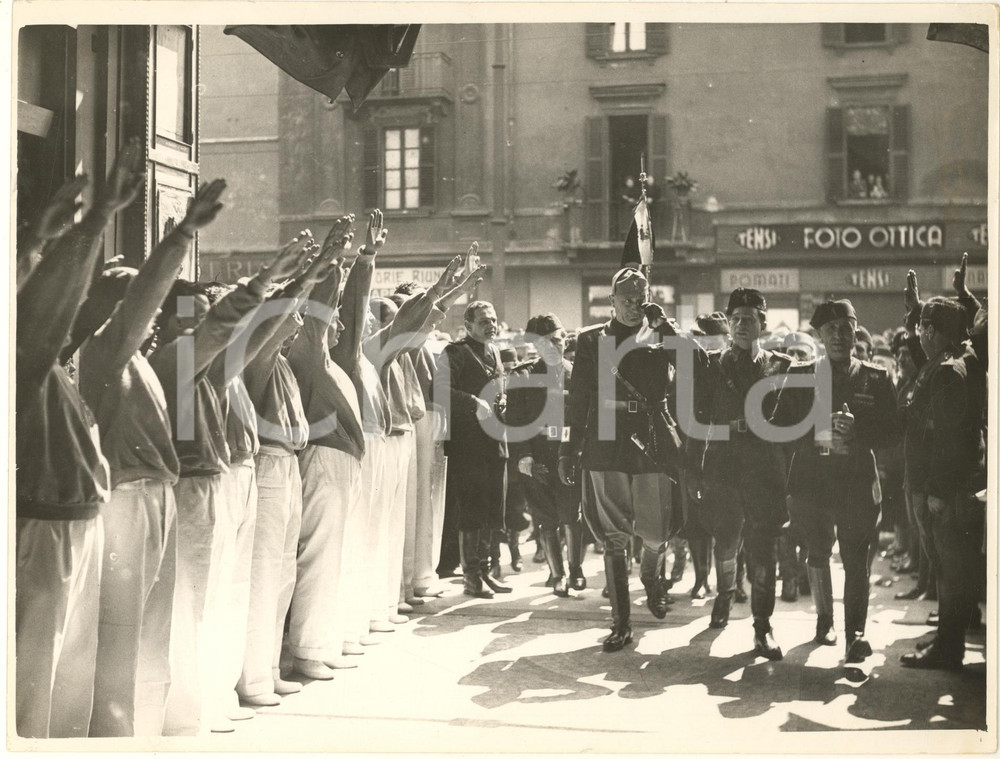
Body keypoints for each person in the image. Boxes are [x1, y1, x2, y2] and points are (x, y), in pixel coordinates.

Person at [78, 180, 226, 737]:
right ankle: (115, 735)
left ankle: (146, 727)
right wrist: (183, 237)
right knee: (122, 627)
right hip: (125, 501)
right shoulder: (102, 353)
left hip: (154, 497)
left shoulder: (140, 359)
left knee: (153, 628)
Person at [16, 142, 143, 738]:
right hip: (43, 519)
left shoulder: (58, 356)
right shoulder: (31, 355)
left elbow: (57, 312)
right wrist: (84, 227)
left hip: (75, 515)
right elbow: (39, 313)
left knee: (64, 663)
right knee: (32, 668)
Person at [558, 268, 679, 651]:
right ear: (611, 301)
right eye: (625, 298)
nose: (632, 305)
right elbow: (577, 399)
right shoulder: (592, 340)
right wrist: (568, 448)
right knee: (613, 538)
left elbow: (695, 373)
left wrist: (669, 332)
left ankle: (650, 577)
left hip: (651, 440)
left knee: (657, 533)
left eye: (639, 297)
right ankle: (621, 623)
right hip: (605, 441)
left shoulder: (662, 336)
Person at [775, 299, 898, 664]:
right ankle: (824, 621)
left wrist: (860, 430)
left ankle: (855, 634)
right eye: (832, 331)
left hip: (857, 482)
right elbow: (777, 428)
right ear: (820, 336)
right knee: (817, 551)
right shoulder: (800, 376)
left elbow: (893, 434)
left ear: (855, 329)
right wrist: (817, 432)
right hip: (812, 483)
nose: (841, 337)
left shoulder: (876, 378)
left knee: (857, 558)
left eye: (847, 329)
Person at [686, 288, 789, 659]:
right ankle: (725, 596)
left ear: (763, 322)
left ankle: (763, 628)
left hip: (765, 470)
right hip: (723, 467)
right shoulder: (713, 365)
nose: (743, 324)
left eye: (750, 318)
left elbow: (793, 427)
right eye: (736, 319)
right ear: (728, 325)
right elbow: (696, 421)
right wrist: (693, 472)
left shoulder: (782, 366)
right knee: (727, 541)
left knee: (765, 553)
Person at [899, 297, 985, 670]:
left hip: (945, 489)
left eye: (921, 328)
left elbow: (949, 439)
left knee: (949, 571)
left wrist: (935, 489)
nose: (918, 335)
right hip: (952, 485)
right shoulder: (957, 361)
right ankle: (949, 639)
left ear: (931, 331)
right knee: (951, 568)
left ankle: (949, 650)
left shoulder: (949, 370)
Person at [433, 300, 510, 599]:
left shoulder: (495, 351)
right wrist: (472, 402)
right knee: (472, 511)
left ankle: (487, 571)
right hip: (469, 446)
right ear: (467, 326)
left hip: (495, 442)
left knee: (493, 509)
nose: (491, 325)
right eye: (483, 322)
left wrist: (504, 400)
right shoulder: (455, 353)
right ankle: (471, 577)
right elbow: (439, 391)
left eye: (493, 320)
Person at [507, 313, 586, 597]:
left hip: (568, 453)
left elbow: (584, 418)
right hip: (538, 457)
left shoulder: (577, 373)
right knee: (546, 518)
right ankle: (557, 574)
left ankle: (575, 569)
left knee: (571, 514)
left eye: (562, 338)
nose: (559, 344)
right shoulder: (522, 375)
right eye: (551, 341)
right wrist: (523, 456)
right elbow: (514, 422)